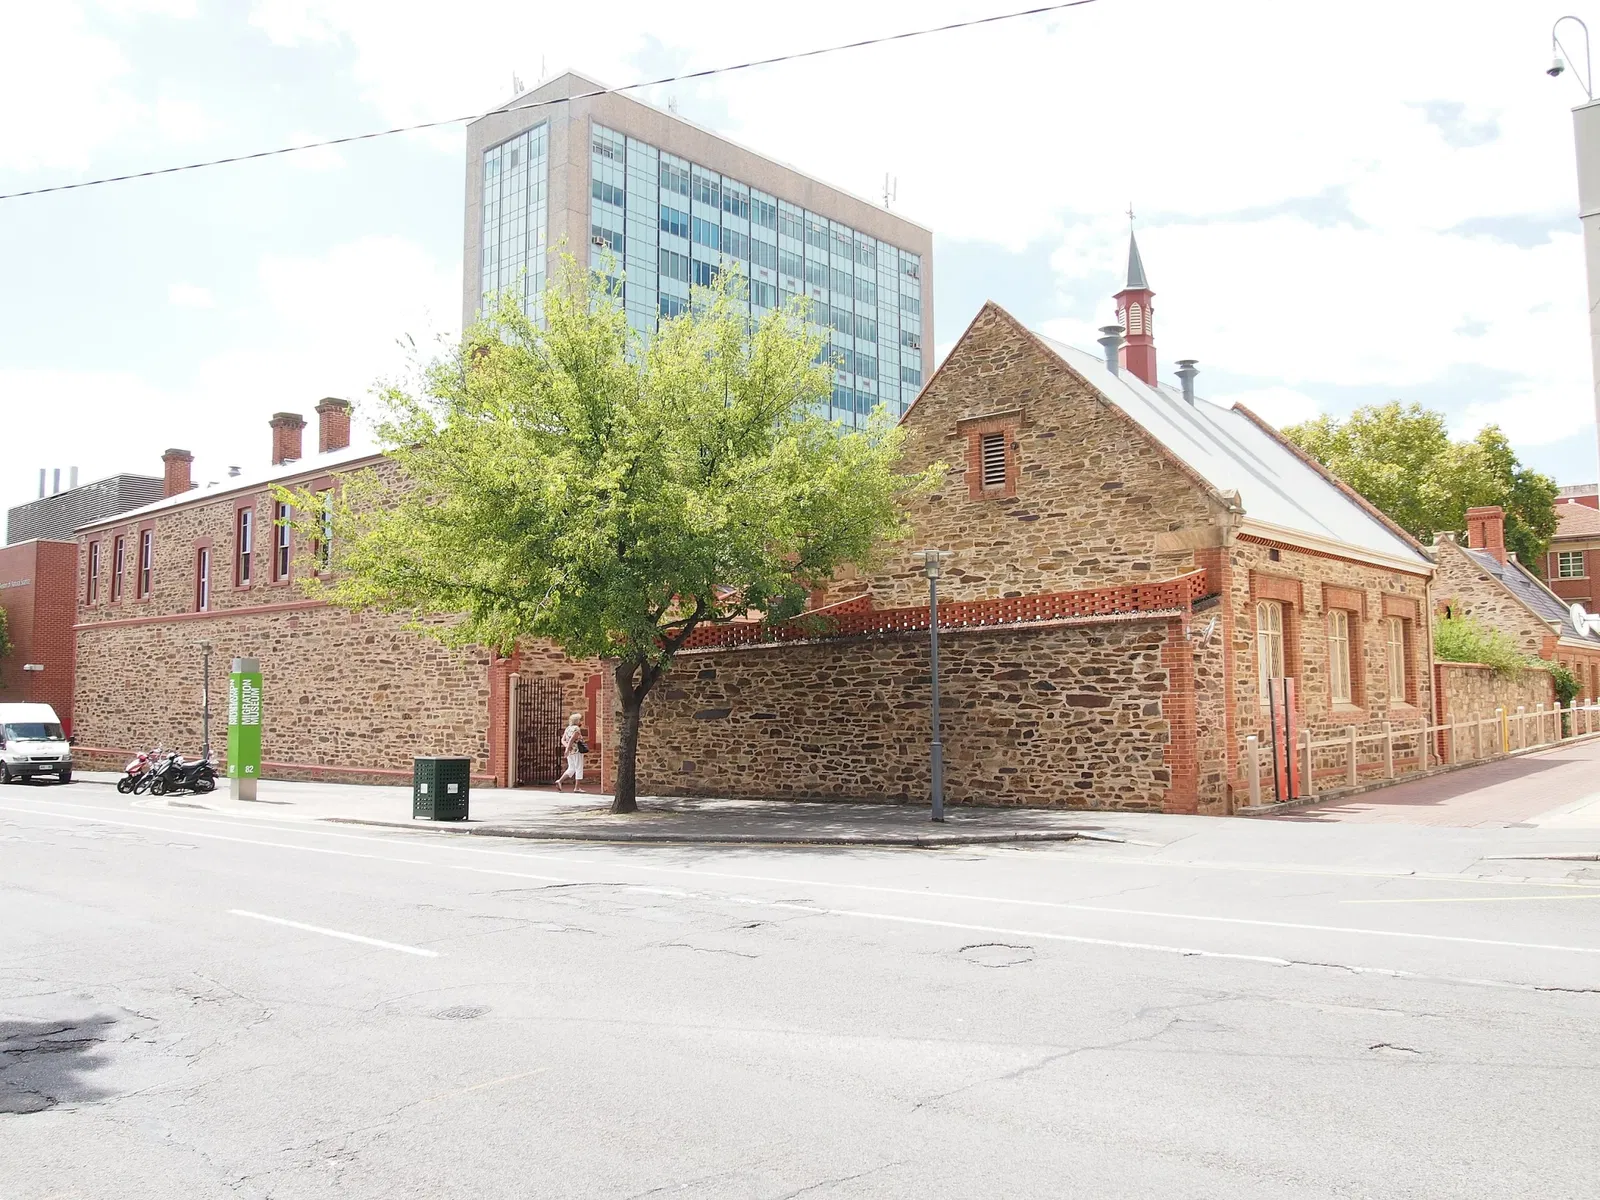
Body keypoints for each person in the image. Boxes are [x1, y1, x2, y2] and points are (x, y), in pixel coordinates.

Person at [556, 712, 587, 792]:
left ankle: (560, 781)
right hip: (577, 751)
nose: (581, 722)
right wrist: (568, 748)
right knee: (579, 768)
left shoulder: (568, 728)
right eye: (580, 720)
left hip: (570, 752)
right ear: (577, 721)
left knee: (571, 768)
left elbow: (563, 740)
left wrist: (567, 747)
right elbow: (572, 739)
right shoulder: (576, 729)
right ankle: (577, 787)